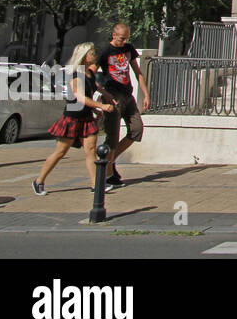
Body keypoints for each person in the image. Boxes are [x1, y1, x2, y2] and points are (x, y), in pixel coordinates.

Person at [34, 43, 117, 195]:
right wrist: (101, 106)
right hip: (72, 118)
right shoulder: (75, 75)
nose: (95, 55)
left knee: (91, 150)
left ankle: (95, 185)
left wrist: (105, 96)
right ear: (85, 56)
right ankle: (39, 181)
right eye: (92, 53)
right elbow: (80, 97)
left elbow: (94, 87)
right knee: (60, 152)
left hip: (86, 118)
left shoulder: (89, 74)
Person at [100, 23, 150, 187]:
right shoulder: (105, 52)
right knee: (112, 137)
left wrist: (145, 94)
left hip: (128, 96)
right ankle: (107, 176)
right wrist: (102, 95)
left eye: (126, 38)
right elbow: (90, 72)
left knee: (136, 129)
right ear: (114, 35)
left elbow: (137, 72)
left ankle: (109, 161)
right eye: (121, 38)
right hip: (113, 96)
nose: (124, 41)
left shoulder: (128, 49)